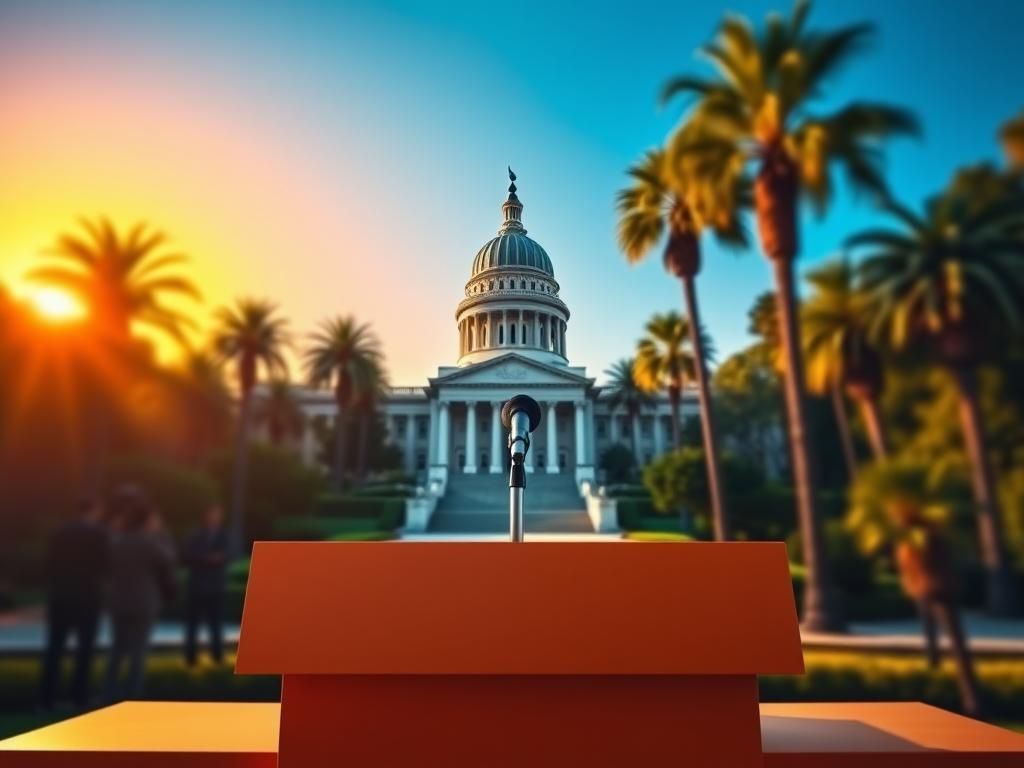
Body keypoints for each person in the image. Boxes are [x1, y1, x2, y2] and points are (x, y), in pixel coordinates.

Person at [102, 486, 177, 702]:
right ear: (147, 520)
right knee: (138, 652)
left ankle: (108, 694)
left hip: (118, 601)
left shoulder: (116, 541)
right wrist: (162, 533)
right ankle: (132, 696)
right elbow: (169, 559)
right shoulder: (150, 542)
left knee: (116, 650)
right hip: (143, 603)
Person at [40, 497, 109, 710]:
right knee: (85, 650)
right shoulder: (98, 534)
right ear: (95, 510)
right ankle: (79, 697)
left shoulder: (59, 533)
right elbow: (105, 565)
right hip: (87, 597)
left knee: (54, 648)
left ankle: (46, 699)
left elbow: (49, 564)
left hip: (60, 597)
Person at [182, 503, 228, 666]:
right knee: (192, 624)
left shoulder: (224, 536)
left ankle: (217, 657)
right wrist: (207, 559)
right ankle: (190, 657)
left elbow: (228, 555)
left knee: (216, 624)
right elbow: (187, 555)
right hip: (197, 586)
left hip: (215, 587)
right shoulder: (195, 535)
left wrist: (207, 559)